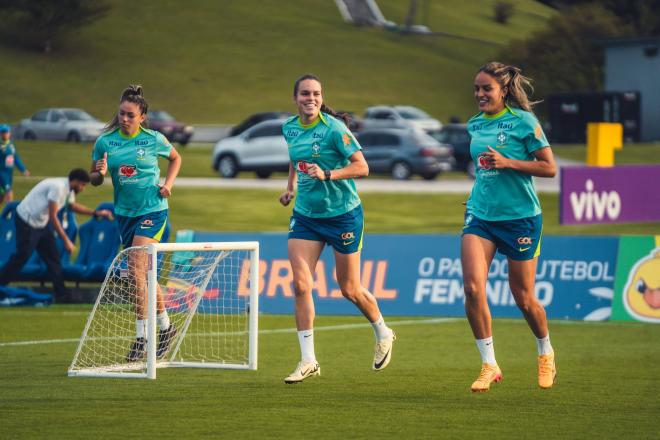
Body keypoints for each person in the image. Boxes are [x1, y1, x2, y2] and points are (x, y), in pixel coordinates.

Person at [279, 74, 395, 384]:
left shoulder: (334, 129)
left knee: (349, 288)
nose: (311, 98)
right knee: (301, 284)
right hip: (305, 216)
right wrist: (290, 187)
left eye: (316, 93)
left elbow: (363, 167)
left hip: (343, 215)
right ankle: (308, 360)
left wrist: (328, 173)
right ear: (295, 98)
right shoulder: (289, 128)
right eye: (305, 93)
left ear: (321, 97)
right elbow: (295, 158)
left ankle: (383, 332)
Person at [462, 62, 557, 392]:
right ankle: (489, 364)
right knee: (473, 289)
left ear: (503, 91)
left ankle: (545, 353)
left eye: (486, 88)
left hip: (520, 218)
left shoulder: (524, 122)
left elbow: (549, 168)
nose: (480, 94)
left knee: (524, 298)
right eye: (476, 88)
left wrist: (508, 162)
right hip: (480, 216)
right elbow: (484, 171)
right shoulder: (474, 125)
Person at [90, 85, 182, 362]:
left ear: (142, 117)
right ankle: (167, 328)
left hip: (153, 211)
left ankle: (142, 337)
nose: (124, 119)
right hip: (125, 214)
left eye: (130, 115)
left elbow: (176, 158)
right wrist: (98, 173)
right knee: (144, 275)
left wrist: (168, 184)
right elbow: (95, 181)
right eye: (121, 114)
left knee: (134, 272)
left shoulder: (154, 139)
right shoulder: (105, 143)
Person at [0, 169, 112, 299]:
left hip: (41, 223)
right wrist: (66, 241)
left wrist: (96, 213)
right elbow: (54, 216)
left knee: (53, 258)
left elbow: (72, 206)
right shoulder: (58, 188)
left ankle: (61, 294)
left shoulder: (68, 190)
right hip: (27, 221)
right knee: (22, 256)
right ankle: (1, 285)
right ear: (75, 181)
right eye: (83, 185)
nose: (83, 188)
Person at [0, 124, 30, 208]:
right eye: (3, 132)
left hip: (9, 173)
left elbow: (16, 158)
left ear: (9, 133)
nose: (5, 134)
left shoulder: (11, 145)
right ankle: (9, 214)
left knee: (1, 197)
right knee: (8, 193)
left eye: (6, 132)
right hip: (1, 174)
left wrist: (23, 170)